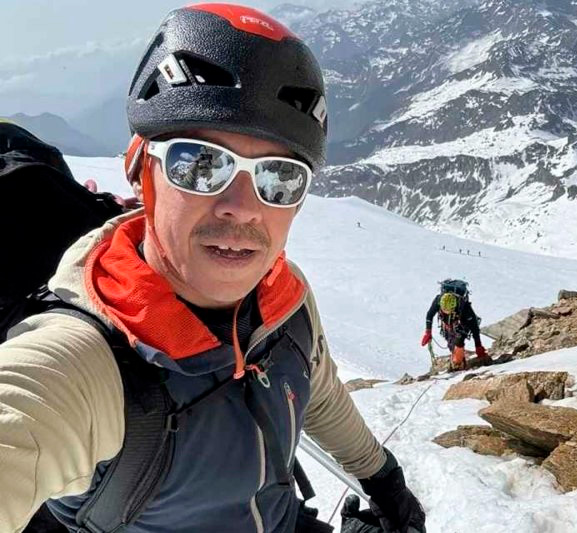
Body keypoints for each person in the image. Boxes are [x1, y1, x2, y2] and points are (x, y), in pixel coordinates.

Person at [0, 5, 424, 533]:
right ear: (139, 169)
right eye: (201, 163)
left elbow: (318, 390)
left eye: (279, 177)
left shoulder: (284, 305)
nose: (242, 208)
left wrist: (382, 478)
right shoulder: (82, 365)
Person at [420, 280, 489, 370]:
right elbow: (430, 315)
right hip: (447, 326)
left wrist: (478, 345)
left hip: (462, 324)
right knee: (452, 345)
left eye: (449, 310)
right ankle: (458, 361)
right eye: (444, 310)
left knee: (459, 342)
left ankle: (458, 362)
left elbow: (474, 327)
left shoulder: (465, 308)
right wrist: (428, 332)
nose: (446, 312)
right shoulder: (438, 301)